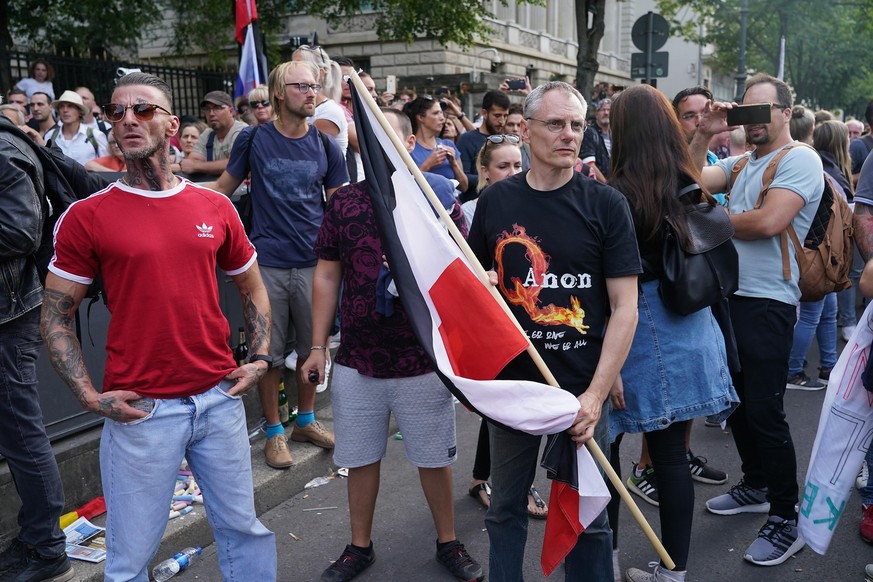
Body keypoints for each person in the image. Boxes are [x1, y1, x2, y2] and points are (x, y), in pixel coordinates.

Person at [40, 71, 277, 581]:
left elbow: (253, 287)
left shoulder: (214, 206)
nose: (129, 119)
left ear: (171, 124)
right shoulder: (88, 216)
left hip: (218, 400)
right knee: (129, 559)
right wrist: (87, 395)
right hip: (142, 412)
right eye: (118, 111)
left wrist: (258, 358)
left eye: (143, 110)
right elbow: (54, 314)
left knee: (244, 531)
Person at [467, 81, 641, 581]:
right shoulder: (496, 203)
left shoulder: (607, 205)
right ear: (524, 129)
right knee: (504, 510)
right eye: (555, 124)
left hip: (583, 387)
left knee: (590, 517)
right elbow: (478, 297)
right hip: (515, 386)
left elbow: (624, 308)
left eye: (577, 125)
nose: (569, 135)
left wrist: (596, 394)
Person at [301, 106, 483, 582]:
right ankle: (358, 547)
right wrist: (318, 346)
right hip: (359, 359)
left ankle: (449, 541)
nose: (380, 151)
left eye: (391, 141)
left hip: (422, 358)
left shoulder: (435, 199)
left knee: (432, 457)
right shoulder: (344, 203)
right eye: (371, 141)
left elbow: (467, 271)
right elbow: (326, 272)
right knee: (359, 457)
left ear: (408, 144)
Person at [692, 72, 824, 566]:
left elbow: (770, 221)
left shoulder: (800, 159)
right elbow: (684, 182)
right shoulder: (742, 159)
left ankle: (786, 518)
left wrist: (702, 222)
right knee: (739, 405)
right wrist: (706, 132)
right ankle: (757, 485)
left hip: (768, 302)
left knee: (765, 410)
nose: (751, 122)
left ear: (786, 113)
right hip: (730, 299)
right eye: (744, 112)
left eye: (761, 111)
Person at [609, 84, 739, 582]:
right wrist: (704, 135)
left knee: (609, 455)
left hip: (641, 329)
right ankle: (673, 571)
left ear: (620, 132)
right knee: (670, 457)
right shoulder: (687, 181)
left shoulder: (617, 192)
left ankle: (610, 558)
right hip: (692, 325)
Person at [213, 60, 348, 469]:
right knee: (265, 353)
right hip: (266, 264)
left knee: (313, 349)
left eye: (314, 85)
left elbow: (341, 208)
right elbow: (222, 192)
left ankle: (305, 421)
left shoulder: (326, 145)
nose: (311, 93)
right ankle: (274, 431)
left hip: (316, 266)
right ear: (278, 93)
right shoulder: (253, 140)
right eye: (301, 86)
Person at [0, 116, 74, 582]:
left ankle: (46, 546)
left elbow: (20, 232)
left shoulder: (5, 151)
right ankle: (35, 538)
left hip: (8, 317)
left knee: (21, 433)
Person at [785, 116, 851, 390]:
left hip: (821, 253)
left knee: (826, 312)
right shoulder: (819, 168)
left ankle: (829, 366)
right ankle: (792, 370)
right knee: (812, 314)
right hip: (815, 253)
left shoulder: (820, 167)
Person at [292, 45, 349, 158]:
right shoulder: (297, 107)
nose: (292, 70)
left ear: (320, 73)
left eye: (300, 66)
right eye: (292, 65)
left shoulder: (329, 112)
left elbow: (304, 152)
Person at [403, 96, 468, 193]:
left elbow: (464, 187)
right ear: (421, 117)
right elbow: (405, 187)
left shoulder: (448, 144)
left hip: (451, 204)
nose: (442, 118)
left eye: (442, 113)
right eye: (436, 113)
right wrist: (427, 165)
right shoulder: (409, 147)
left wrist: (454, 163)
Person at [180, 90, 248, 178]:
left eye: (217, 108)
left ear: (231, 111)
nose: (211, 113)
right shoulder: (208, 133)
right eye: (207, 109)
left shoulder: (242, 131)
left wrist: (197, 166)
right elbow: (191, 161)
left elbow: (236, 164)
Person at [456, 90, 510, 199]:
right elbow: (462, 178)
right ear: (484, 113)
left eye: (505, 116)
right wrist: (493, 177)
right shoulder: (467, 139)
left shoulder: (507, 141)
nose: (502, 121)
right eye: (497, 115)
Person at [45, 90, 108, 165]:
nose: (65, 110)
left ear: (80, 111)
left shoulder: (96, 135)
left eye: (70, 106)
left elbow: (107, 167)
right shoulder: (50, 136)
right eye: (62, 106)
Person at [580, 98, 611, 183]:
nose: (606, 113)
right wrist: (606, 184)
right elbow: (588, 163)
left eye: (609, 110)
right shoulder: (590, 132)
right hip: (597, 186)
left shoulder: (614, 134)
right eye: (602, 110)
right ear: (596, 114)